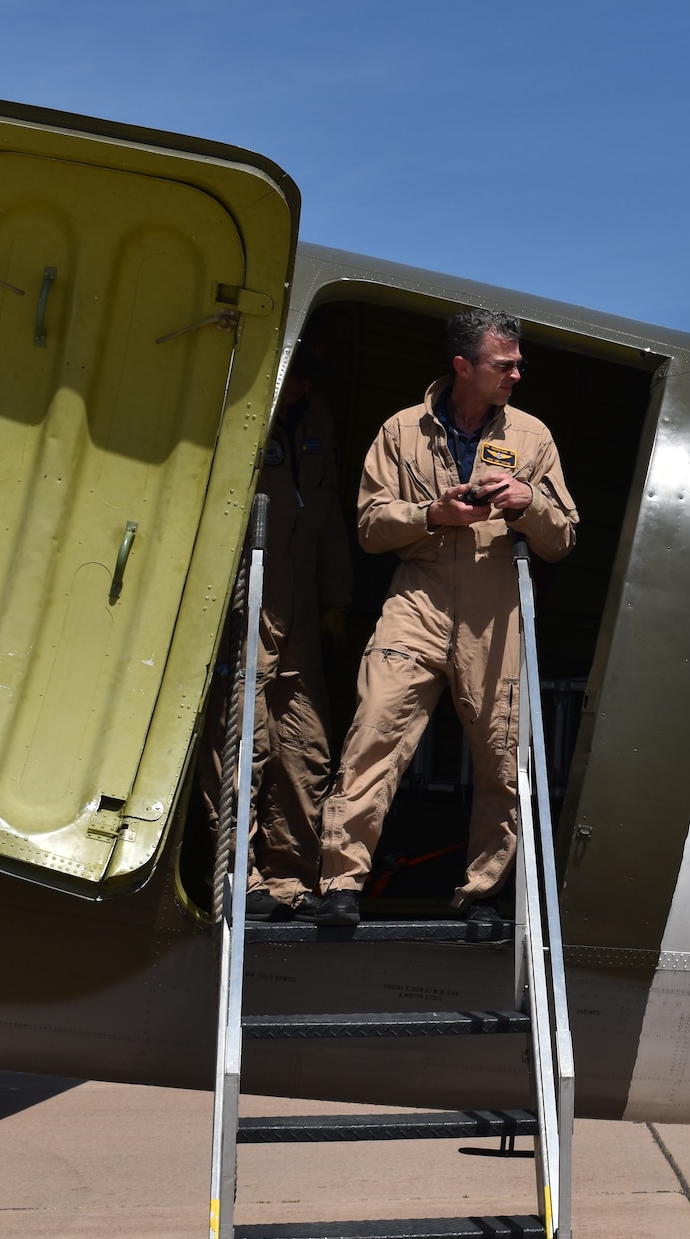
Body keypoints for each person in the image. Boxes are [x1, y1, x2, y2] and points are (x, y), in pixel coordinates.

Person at [301, 309, 578, 927]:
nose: (516, 375)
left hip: (495, 607)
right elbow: (371, 527)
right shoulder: (400, 431)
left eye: (518, 364)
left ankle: (483, 893)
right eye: (504, 365)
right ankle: (341, 884)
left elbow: (562, 538)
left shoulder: (533, 438)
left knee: (502, 755)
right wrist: (433, 514)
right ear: (463, 366)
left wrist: (528, 503)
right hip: (418, 599)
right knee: (374, 729)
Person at [198, 345, 354, 920]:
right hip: (248, 598)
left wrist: (336, 602)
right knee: (246, 738)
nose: (303, 390)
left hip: (303, 606)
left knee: (306, 746)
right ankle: (242, 875)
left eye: (313, 382)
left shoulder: (316, 417)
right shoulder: (239, 410)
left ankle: (291, 878)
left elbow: (329, 512)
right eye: (298, 379)